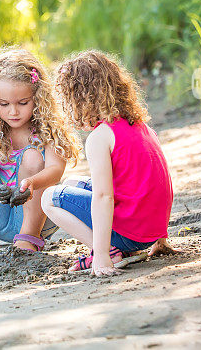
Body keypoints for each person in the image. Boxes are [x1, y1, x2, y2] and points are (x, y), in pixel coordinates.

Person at [43, 50, 175, 276]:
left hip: (130, 236)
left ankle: (108, 251)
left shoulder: (100, 137)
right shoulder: (140, 125)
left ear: (80, 100)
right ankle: (125, 247)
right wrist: (160, 240)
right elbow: (158, 181)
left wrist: (101, 255)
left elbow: (104, 196)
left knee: (49, 198)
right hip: (151, 231)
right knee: (74, 181)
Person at [0, 47, 81, 267]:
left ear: (38, 97)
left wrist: (32, 183)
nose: (13, 112)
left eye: (23, 103)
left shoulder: (48, 128)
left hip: (39, 216)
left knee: (31, 157)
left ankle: (29, 238)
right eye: (4, 104)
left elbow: (55, 170)